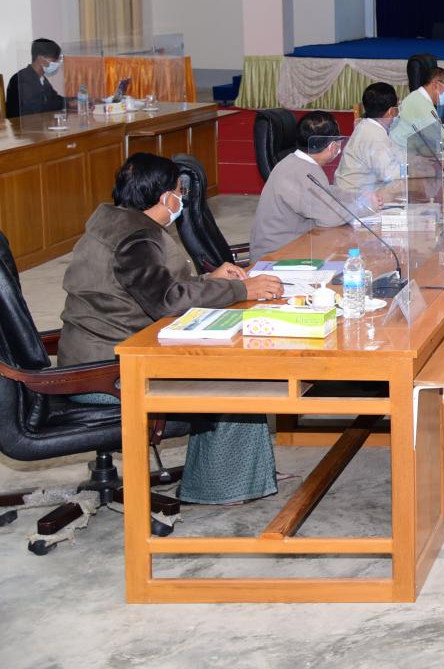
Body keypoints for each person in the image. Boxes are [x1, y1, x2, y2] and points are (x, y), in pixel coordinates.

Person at [59, 153, 284, 505]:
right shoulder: (135, 239)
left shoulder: (115, 221)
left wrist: (209, 280)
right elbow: (166, 300)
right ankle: (222, 487)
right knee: (232, 377)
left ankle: (244, 475)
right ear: (164, 197)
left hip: (98, 355)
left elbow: (150, 288)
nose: (181, 199)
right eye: (179, 192)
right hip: (107, 373)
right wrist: (242, 290)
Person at [250, 111, 377, 262]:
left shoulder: (297, 162)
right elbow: (330, 217)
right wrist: (365, 206)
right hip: (276, 258)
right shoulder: (301, 172)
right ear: (332, 146)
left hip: (296, 246)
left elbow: (326, 192)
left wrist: (357, 197)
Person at [335, 83, 403, 193]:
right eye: (397, 108)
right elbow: (389, 174)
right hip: (354, 197)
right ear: (391, 111)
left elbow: (393, 153)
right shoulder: (374, 134)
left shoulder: (367, 125)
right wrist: (411, 169)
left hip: (354, 191)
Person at [391, 65, 444, 149]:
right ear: (436, 85)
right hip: (404, 153)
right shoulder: (420, 103)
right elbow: (442, 138)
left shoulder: (419, 98)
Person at [5, 38, 65, 118]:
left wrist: (71, 101)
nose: (56, 63)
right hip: (23, 125)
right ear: (40, 59)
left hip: (38, 123)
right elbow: (36, 109)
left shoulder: (42, 79)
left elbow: (55, 100)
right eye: (54, 59)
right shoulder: (22, 79)